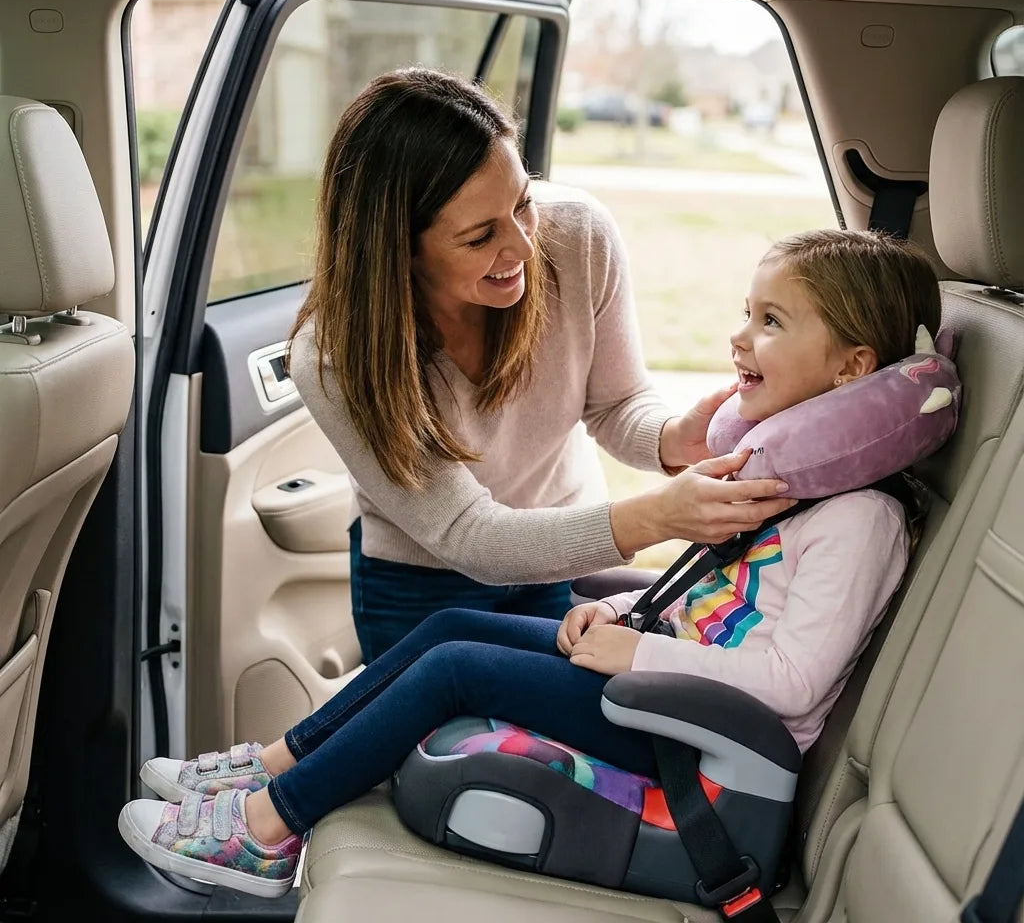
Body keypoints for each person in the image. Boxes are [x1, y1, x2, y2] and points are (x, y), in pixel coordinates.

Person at [119, 228, 943, 898]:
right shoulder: (790, 485)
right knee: (453, 626)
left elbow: (792, 680)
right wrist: (621, 616)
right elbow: (710, 604)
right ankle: (270, 766)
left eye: (772, 321)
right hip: (663, 688)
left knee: (457, 671)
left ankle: (265, 833)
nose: (740, 336)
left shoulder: (857, 519)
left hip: (702, 740)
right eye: (746, 312)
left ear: (853, 367)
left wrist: (638, 653)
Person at [284, 67, 796, 662]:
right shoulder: (333, 356)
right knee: (423, 747)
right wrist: (658, 517)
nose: (525, 246)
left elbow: (615, 402)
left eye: (523, 203)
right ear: (398, 246)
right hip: (419, 580)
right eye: (480, 237)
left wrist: (672, 438)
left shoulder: (576, 237)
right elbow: (467, 535)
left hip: (561, 548)